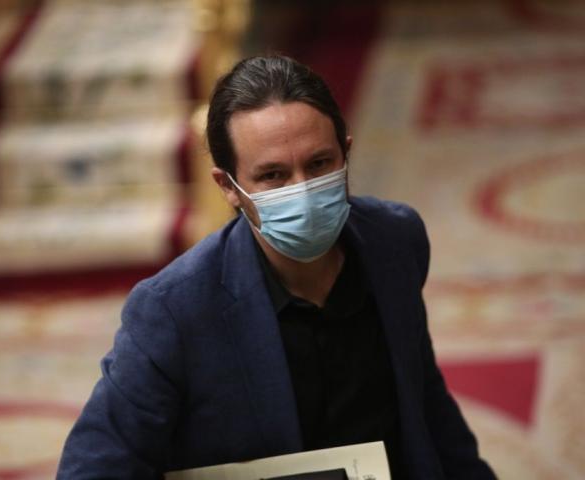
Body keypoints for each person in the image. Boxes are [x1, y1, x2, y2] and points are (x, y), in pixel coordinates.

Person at [57, 55, 496, 479]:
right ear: (228, 186)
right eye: (273, 175)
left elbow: (424, 403)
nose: (302, 191)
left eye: (319, 164)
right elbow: (95, 466)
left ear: (346, 153)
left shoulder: (395, 241)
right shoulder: (174, 310)